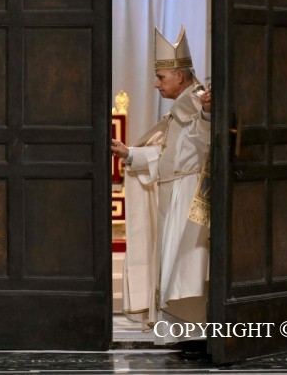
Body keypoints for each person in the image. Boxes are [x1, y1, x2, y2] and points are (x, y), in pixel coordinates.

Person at [111, 26, 211, 354]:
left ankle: (196, 334)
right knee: (174, 269)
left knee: (188, 268)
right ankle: (184, 334)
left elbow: (204, 140)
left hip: (189, 197)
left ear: (180, 77)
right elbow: (166, 154)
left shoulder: (197, 103)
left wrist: (207, 113)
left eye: (161, 77)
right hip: (174, 194)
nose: (156, 84)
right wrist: (130, 153)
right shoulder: (182, 106)